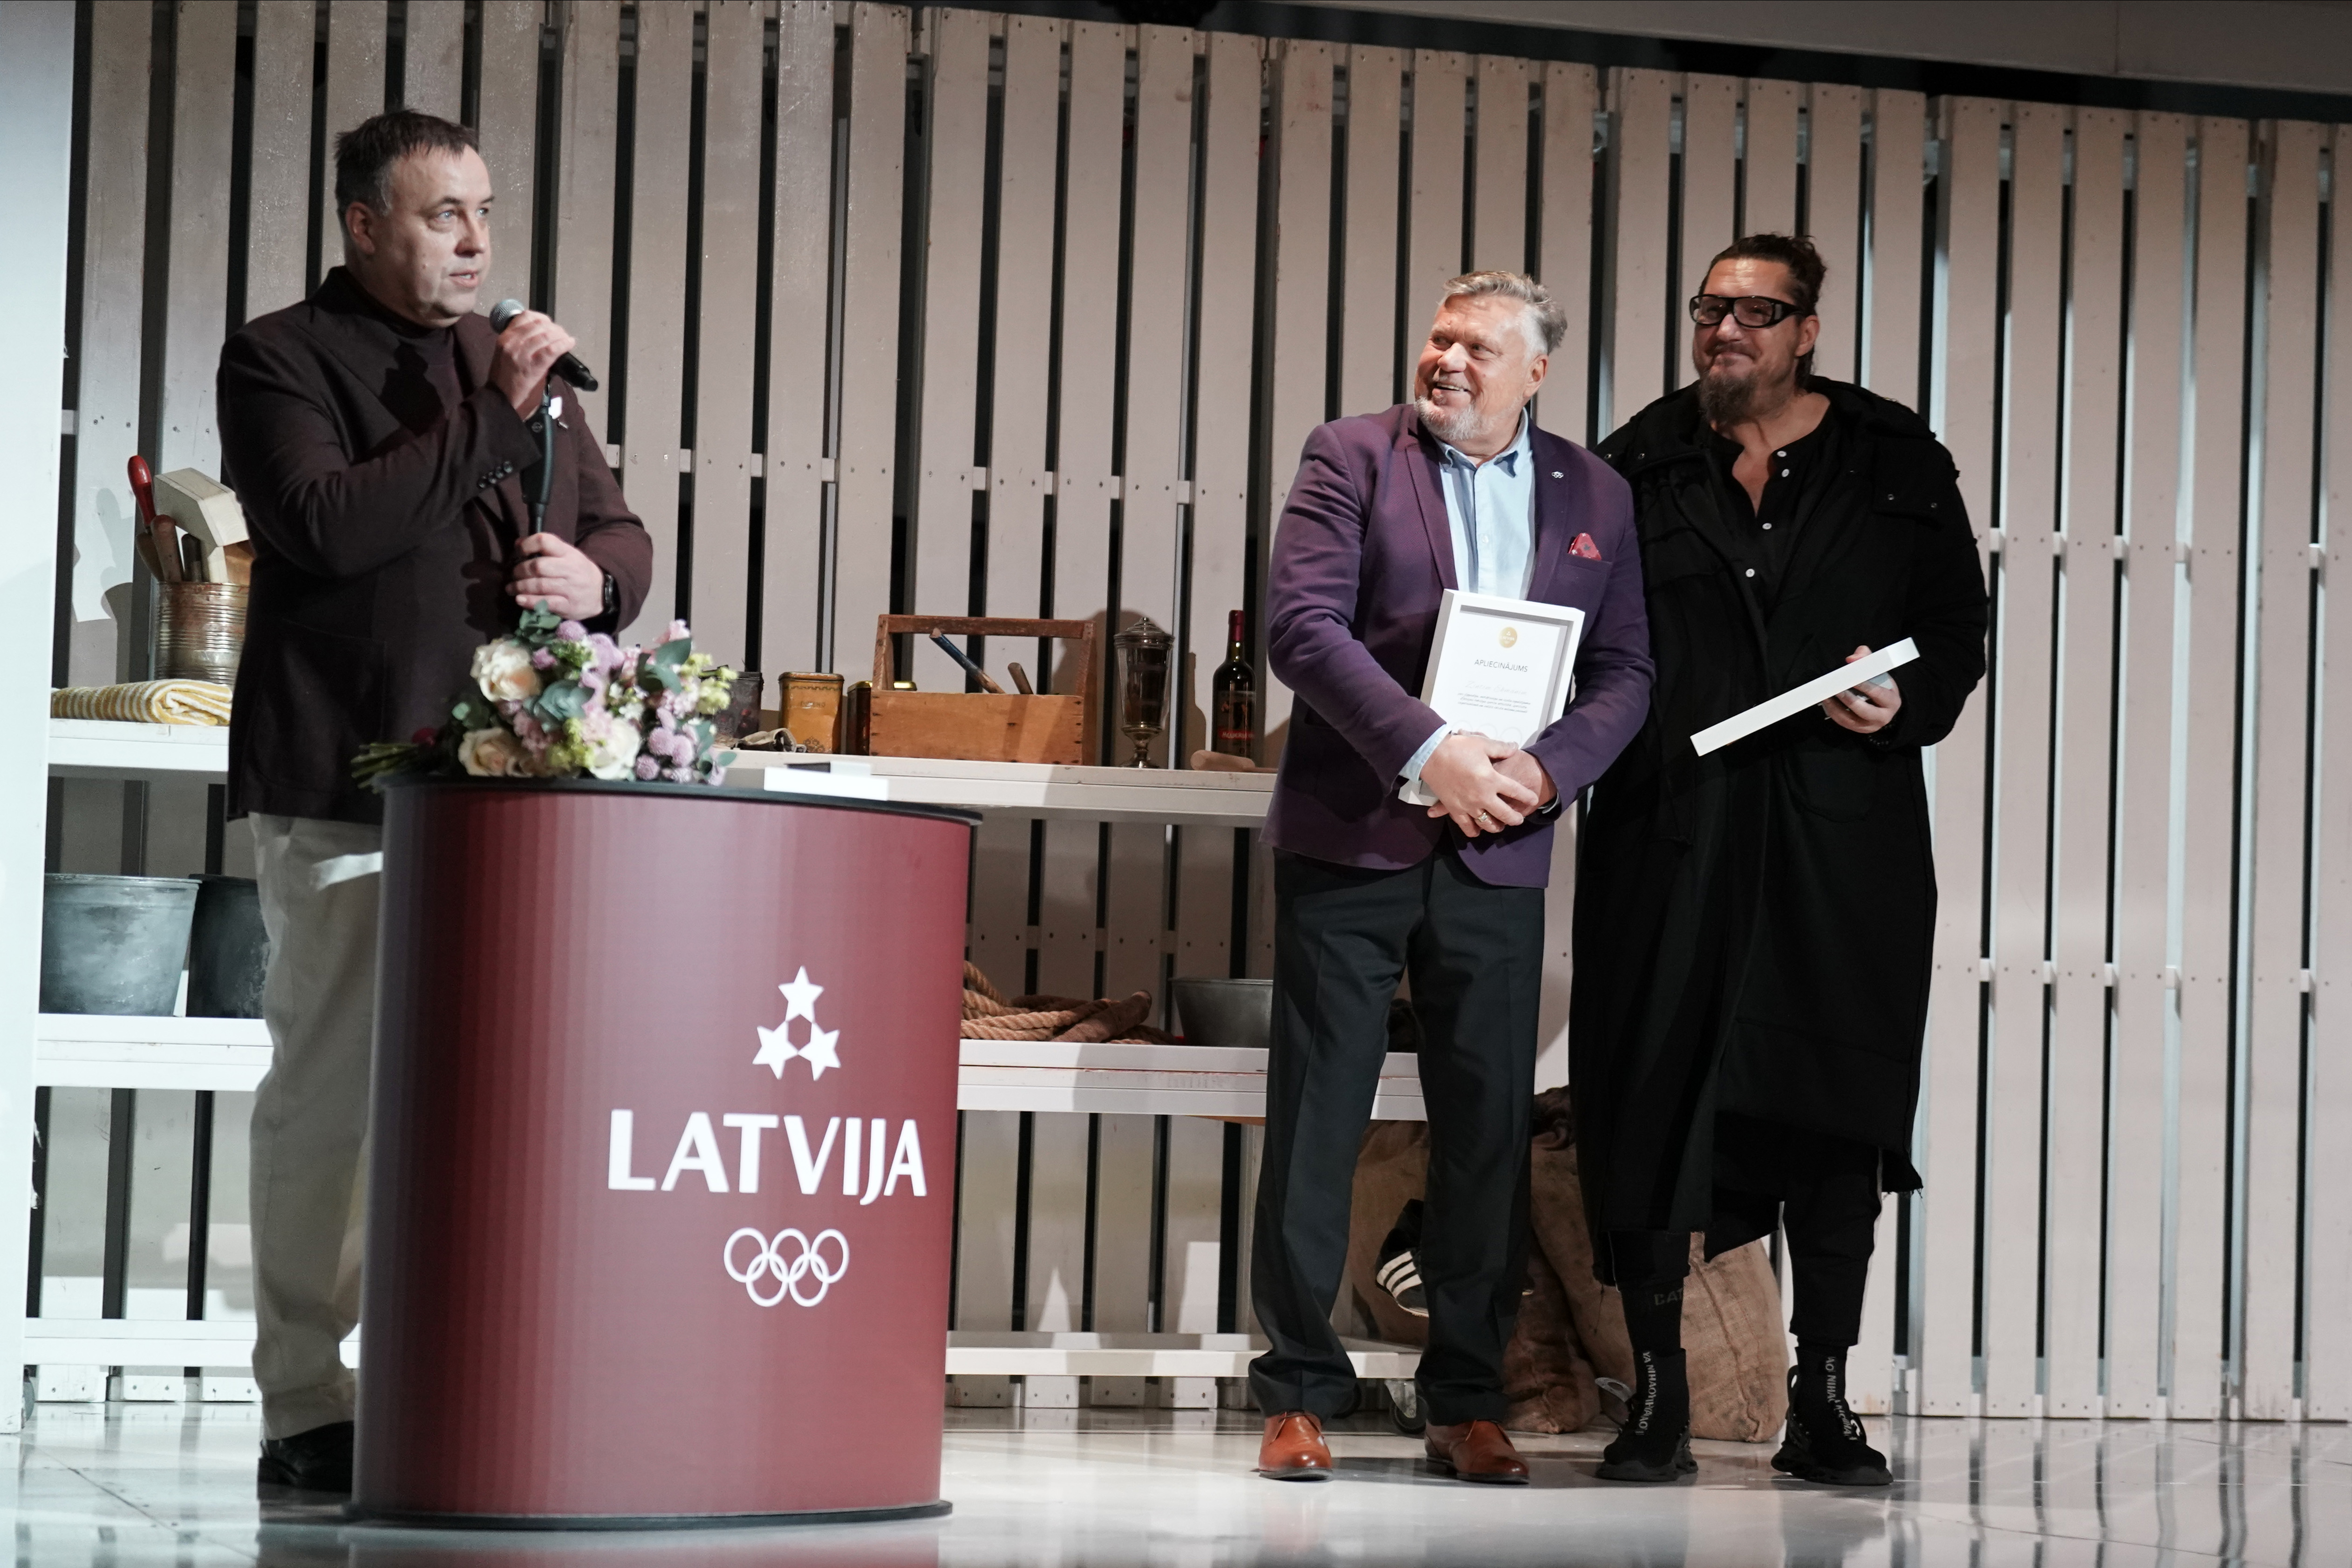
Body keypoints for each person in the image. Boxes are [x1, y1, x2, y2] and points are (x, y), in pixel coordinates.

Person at [216, 109, 651, 1493]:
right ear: (363, 224)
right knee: (334, 1094)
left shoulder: (509, 368)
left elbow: (613, 522)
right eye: (441, 214)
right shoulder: (281, 355)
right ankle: (305, 1398)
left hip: (519, 788)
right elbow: (328, 525)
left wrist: (601, 581)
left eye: (485, 211)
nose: (475, 242)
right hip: (349, 773)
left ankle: (471, 1368)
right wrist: (496, 414)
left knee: (507, 1091)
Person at [1573, 234, 1987, 1486]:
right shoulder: (1631, 465)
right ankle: (1658, 1397)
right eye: (1711, 307)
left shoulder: (1896, 460)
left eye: (1756, 311)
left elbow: (1953, 633)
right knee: (1651, 1091)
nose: (1726, 329)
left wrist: (1903, 703)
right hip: (1671, 824)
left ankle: (1823, 1399)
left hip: (1841, 832)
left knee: (1834, 1106)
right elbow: (1574, 640)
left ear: (1807, 330)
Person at [1251, 272, 1653, 1483]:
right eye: (1439, 338)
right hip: (1353, 836)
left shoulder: (1596, 493)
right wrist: (1433, 751)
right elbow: (1301, 628)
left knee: (1485, 1129)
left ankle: (1467, 1398)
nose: (1448, 361)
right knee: (1319, 1115)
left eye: (1479, 348)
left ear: (1534, 373)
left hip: (1499, 845)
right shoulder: (1351, 456)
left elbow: (1625, 672)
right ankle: (1297, 1391)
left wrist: (1543, 772)